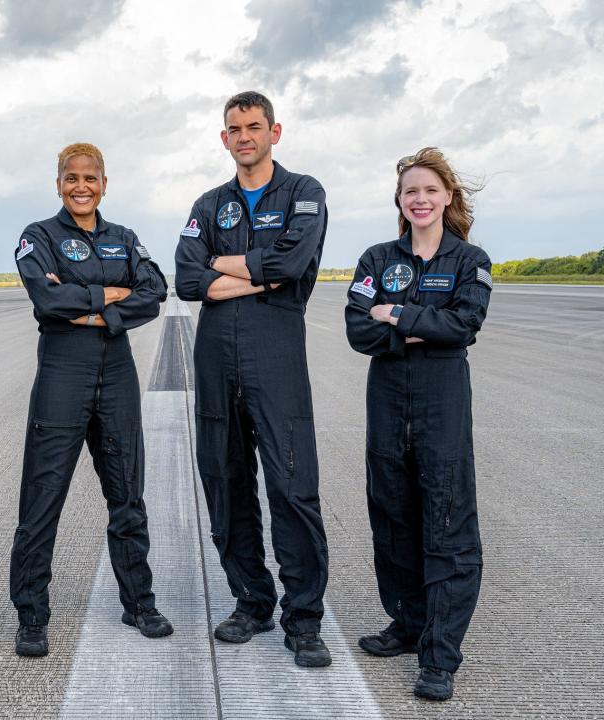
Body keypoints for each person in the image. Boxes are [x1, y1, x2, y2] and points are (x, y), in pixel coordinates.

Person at [174, 91, 331, 668]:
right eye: (234, 128)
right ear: (224, 138)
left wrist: (222, 264)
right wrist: (257, 273)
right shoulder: (209, 203)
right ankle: (252, 600)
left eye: (254, 126)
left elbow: (293, 265)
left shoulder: (304, 193)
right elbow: (186, 278)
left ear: (275, 131)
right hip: (217, 358)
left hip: (276, 355)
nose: (244, 136)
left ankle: (305, 619)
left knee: (292, 488)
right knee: (225, 481)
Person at [10, 142, 172, 657]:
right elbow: (46, 298)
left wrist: (86, 305)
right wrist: (111, 294)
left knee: (127, 495)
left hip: (116, 372)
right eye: (71, 178)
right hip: (63, 371)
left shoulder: (124, 237)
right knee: (42, 498)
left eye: (91, 178)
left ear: (105, 183)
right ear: (58, 183)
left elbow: (155, 289)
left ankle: (138, 601)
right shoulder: (38, 236)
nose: (82, 186)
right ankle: (32, 615)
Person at [344, 147, 492, 701]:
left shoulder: (470, 260)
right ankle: (406, 625)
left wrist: (398, 314)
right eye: (411, 191)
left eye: (430, 190)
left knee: (448, 524)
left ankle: (440, 654)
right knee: (393, 517)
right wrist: (415, 325)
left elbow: (464, 325)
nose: (421, 199)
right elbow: (359, 330)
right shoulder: (377, 258)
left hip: (442, 401)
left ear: (447, 197)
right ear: (400, 202)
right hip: (387, 402)